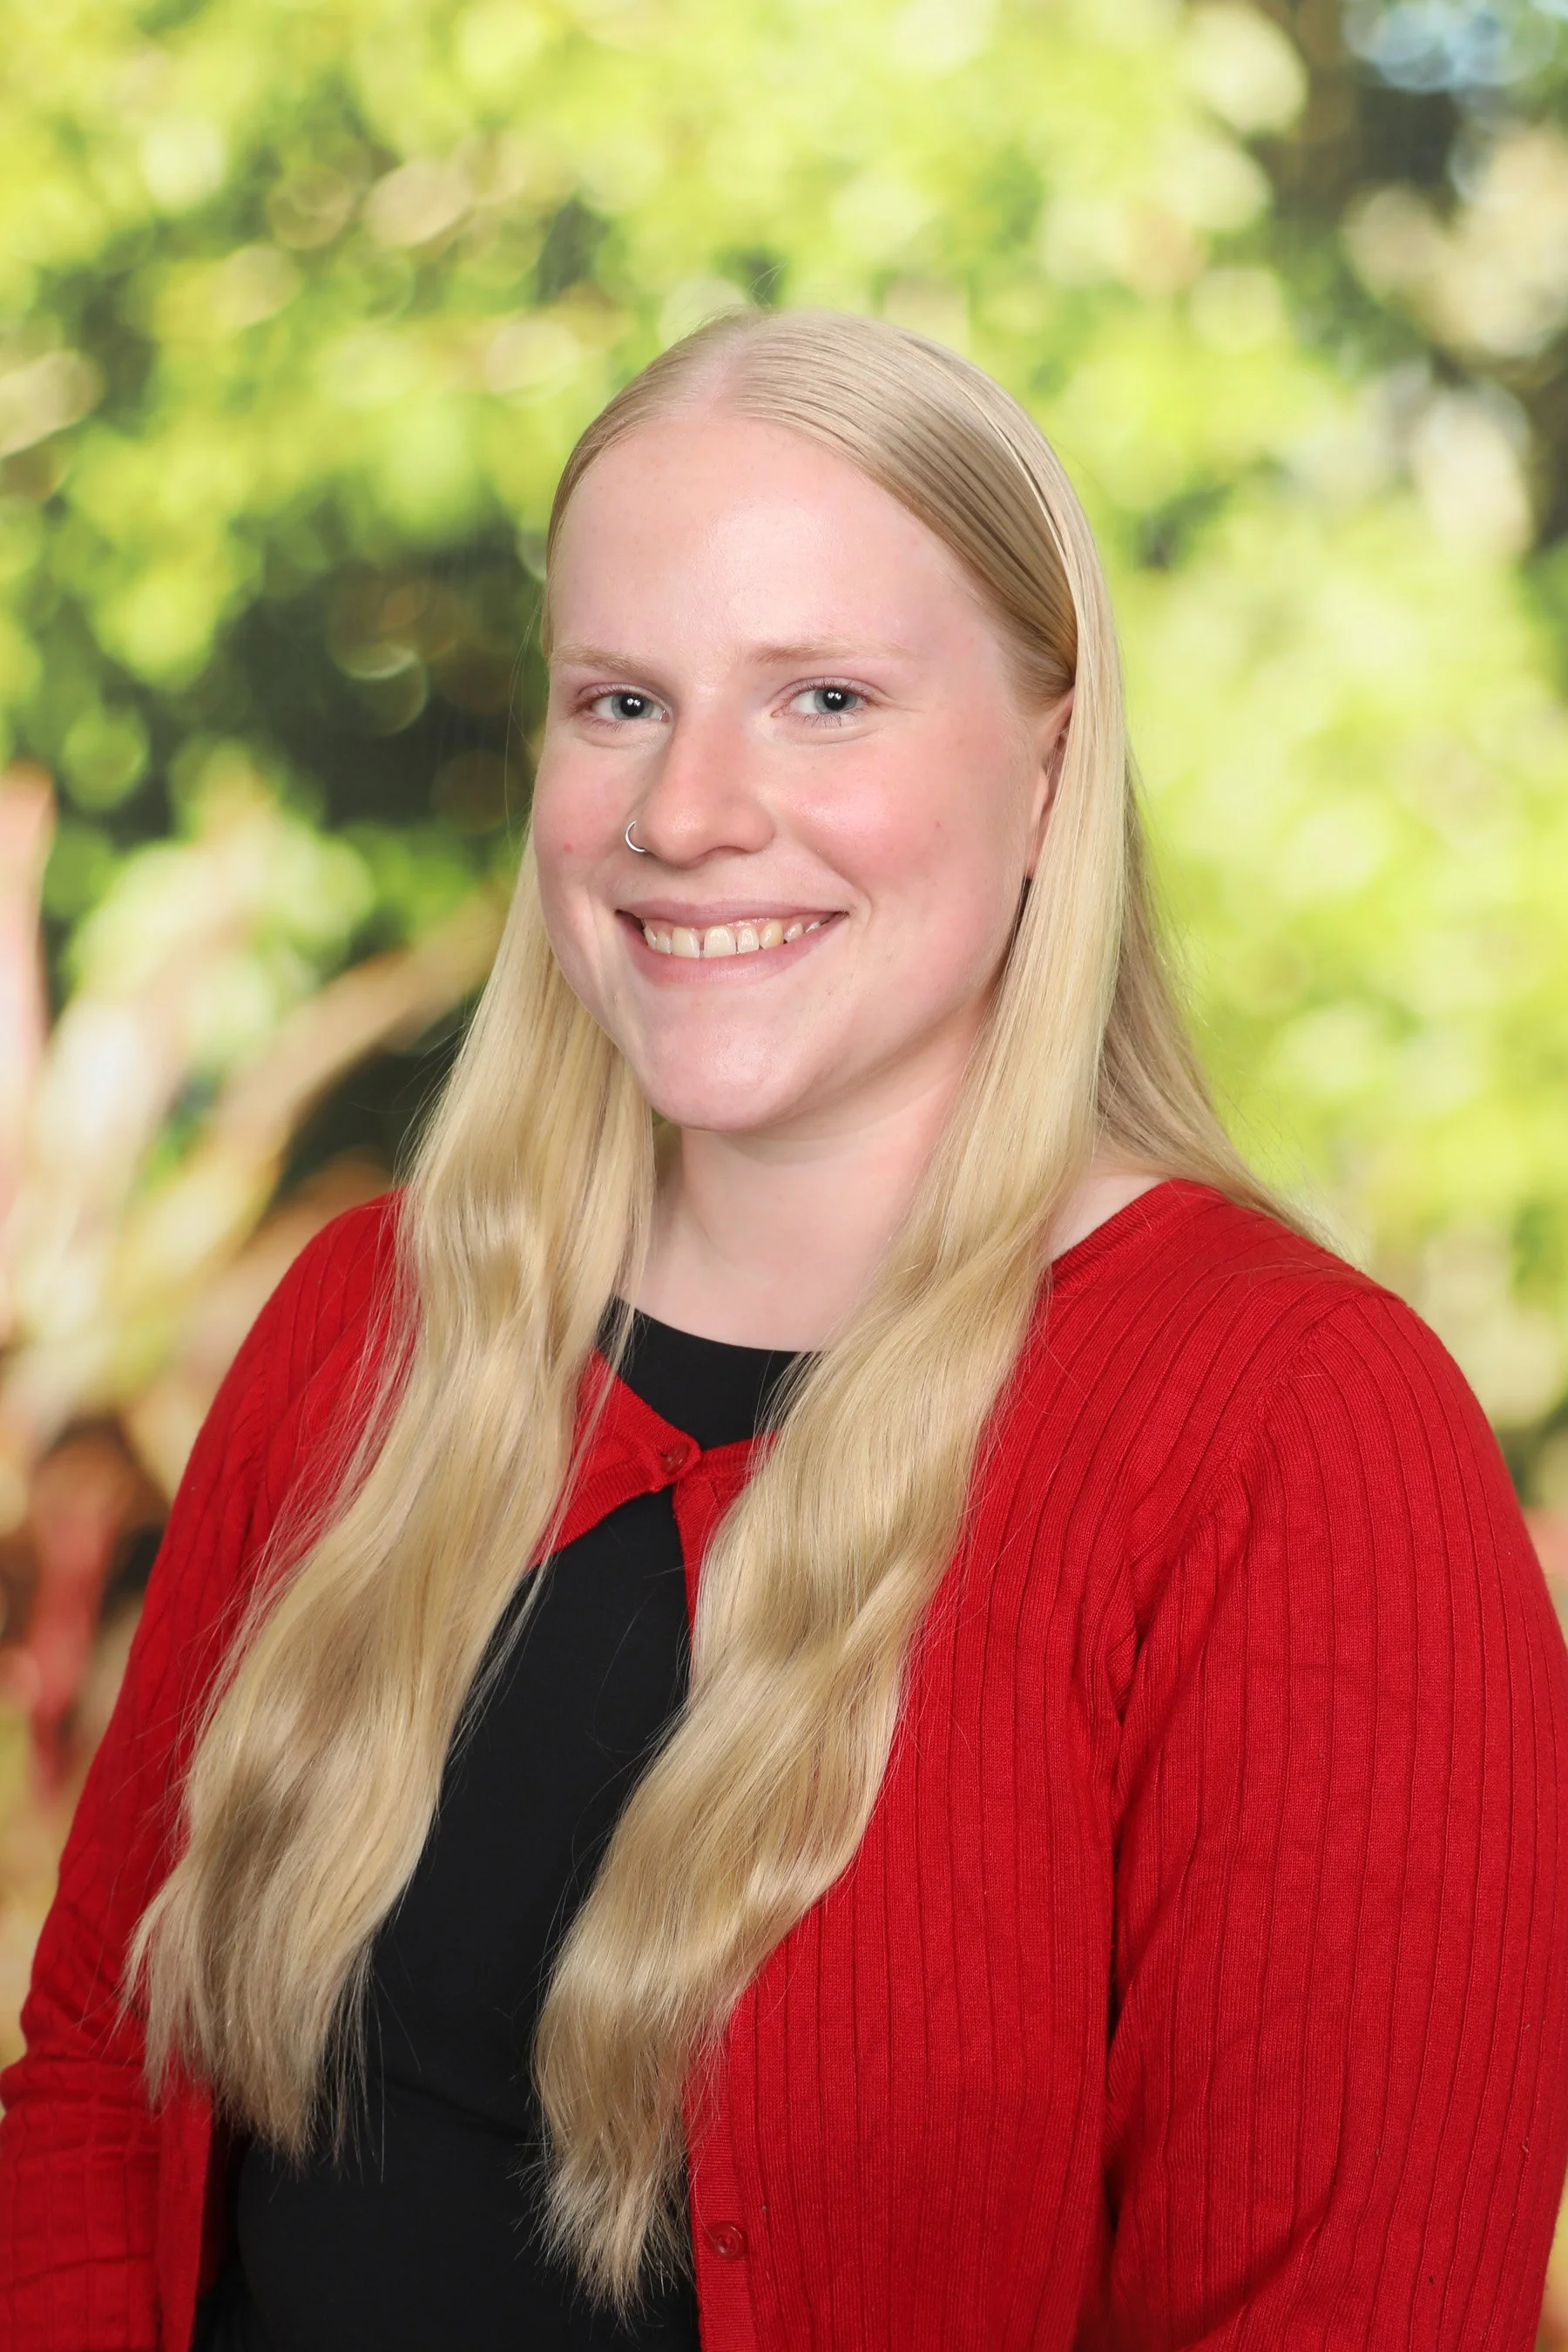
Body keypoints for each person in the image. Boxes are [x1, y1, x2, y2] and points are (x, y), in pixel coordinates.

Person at [2, 308, 1565, 2352]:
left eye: (824, 698)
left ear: (1049, 765)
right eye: (621, 701)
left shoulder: (1296, 1433)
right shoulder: (368, 1324)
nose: (687, 811)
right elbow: (96, 2082)